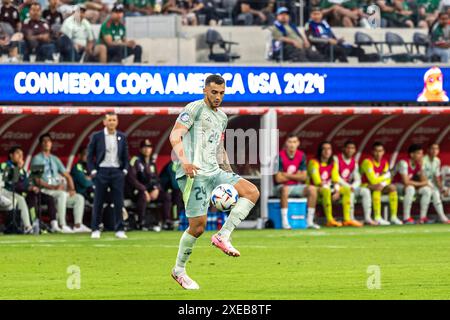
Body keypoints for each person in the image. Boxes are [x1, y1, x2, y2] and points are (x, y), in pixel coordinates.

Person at [169, 74, 260, 289]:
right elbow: (175, 135)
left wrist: (228, 173)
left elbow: (218, 147)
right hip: (194, 174)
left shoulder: (222, 117)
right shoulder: (194, 109)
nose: (218, 97)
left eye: (221, 93)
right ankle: (179, 270)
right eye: (214, 92)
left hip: (215, 171)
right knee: (197, 228)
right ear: (205, 91)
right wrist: (185, 162)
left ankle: (223, 236)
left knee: (251, 191)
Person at [31, 133, 90, 233]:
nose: (47, 143)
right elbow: (37, 180)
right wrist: (53, 187)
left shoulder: (54, 159)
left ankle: (77, 225)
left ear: (51, 143)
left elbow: (67, 175)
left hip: (56, 190)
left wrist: (72, 189)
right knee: (62, 194)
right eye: (44, 141)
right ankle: (62, 225)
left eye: (48, 141)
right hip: (45, 190)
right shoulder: (37, 159)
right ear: (40, 144)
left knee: (79, 198)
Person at [88, 112, 129, 239]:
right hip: (102, 171)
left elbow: (125, 156)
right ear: (104, 122)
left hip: (117, 172)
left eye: (114, 120)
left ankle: (119, 229)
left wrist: (125, 170)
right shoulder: (97, 136)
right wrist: (93, 171)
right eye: (109, 120)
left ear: (117, 122)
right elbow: (90, 156)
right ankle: (95, 229)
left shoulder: (122, 136)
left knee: (118, 201)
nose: (112, 122)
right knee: (98, 201)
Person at [274, 134, 319, 230]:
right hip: (281, 188)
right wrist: (296, 175)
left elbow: (304, 177)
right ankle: (285, 222)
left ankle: (310, 221)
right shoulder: (279, 156)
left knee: (312, 189)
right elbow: (278, 179)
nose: (292, 144)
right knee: (285, 189)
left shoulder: (301, 155)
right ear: (286, 143)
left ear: (298, 143)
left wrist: (286, 175)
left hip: (296, 187)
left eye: (294, 142)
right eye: (290, 142)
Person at [126, 139, 166, 232]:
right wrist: (143, 190)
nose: (147, 149)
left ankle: (166, 222)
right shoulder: (135, 160)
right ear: (140, 149)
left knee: (166, 196)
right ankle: (141, 222)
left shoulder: (152, 162)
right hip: (136, 192)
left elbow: (156, 179)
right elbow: (131, 179)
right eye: (144, 147)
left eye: (149, 147)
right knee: (143, 196)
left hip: (150, 191)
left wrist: (156, 188)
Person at [307, 142, 348, 227]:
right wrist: (333, 190)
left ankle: (347, 219)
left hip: (329, 188)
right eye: (324, 149)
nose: (327, 151)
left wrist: (336, 190)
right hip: (314, 190)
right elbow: (317, 182)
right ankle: (329, 219)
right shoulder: (313, 162)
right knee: (326, 190)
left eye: (329, 149)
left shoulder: (333, 163)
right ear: (320, 151)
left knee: (346, 190)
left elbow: (335, 179)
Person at [360, 142, 400, 226]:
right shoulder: (367, 162)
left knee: (392, 187)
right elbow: (373, 180)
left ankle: (393, 216)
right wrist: (385, 176)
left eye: (380, 151)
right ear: (372, 152)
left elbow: (388, 179)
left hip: (377, 186)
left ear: (383, 152)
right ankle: (377, 217)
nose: (378, 154)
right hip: (364, 186)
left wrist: (383, 182)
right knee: (377, 187)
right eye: (376, 151)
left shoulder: (385, 162)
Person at [394, 144, 433, 224]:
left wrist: (421, 167)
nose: (421, 156)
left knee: (427, 190)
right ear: (412, 154)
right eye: (419, 153)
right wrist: (422, 183)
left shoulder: (418, 164)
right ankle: (406, 218)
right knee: (410, 188)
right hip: (395, 185)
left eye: (422, 154)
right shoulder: (403, 163)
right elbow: (406, 181)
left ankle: (422, 218)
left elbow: (424, 180)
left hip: (408, 186)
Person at [333, 141, 365, 227]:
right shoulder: (336, 158)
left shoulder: (354, 162)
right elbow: (336, 176)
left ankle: (368, 218)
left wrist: (353, 186)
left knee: (366, 191)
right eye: (348, 148)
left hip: (349, 187)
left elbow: (358, 179)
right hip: (337, 186)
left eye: (352, 148)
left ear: (355, 150)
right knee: (349, 191)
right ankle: (350, 218)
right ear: (343, 148)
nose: (350, 150)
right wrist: (349, 186)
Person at [423, 143, 450, 223]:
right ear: (428, 150)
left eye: (437, 149)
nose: (435, 151)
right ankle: (424, 217)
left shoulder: (437, 160)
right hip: (422, 183)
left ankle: (442, 217)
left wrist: (442, 189)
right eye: (432, 148)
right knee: (433, 192)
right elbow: (421, 176)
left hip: (431, 184)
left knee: (439, 192)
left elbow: (436, 177)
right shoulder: (423, 160)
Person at [159, 160, 184, 230]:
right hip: (163, 188)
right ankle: (172, 221)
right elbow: (175, 182)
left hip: (171, 188)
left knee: (178, 195)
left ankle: (175, 220)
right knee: (177, 195)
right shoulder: (174, 164)